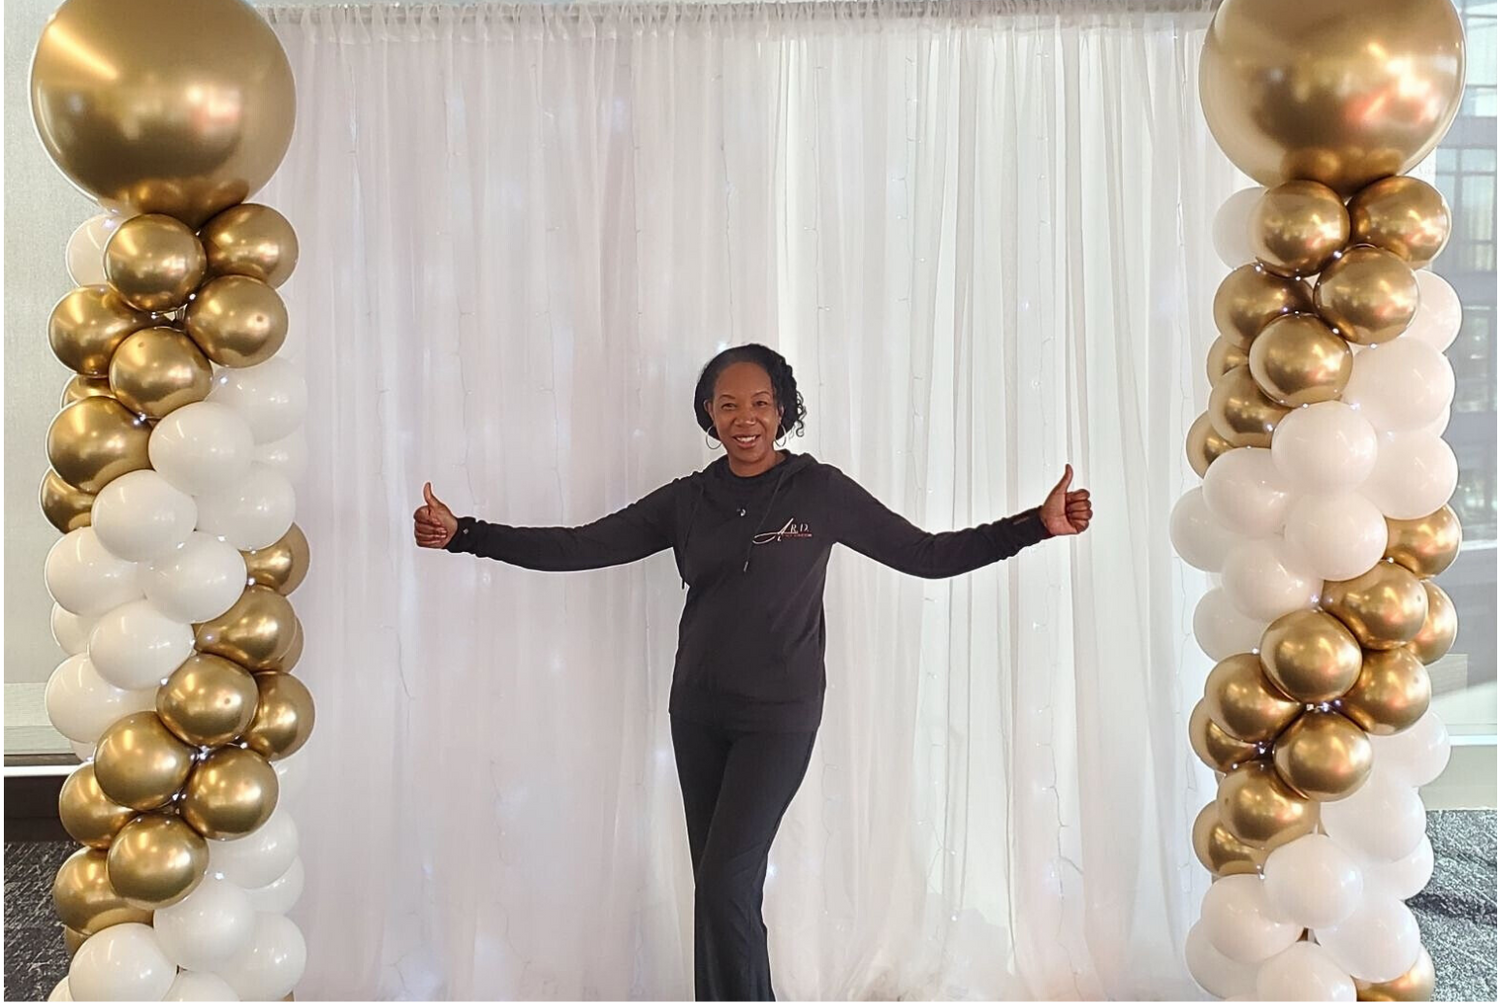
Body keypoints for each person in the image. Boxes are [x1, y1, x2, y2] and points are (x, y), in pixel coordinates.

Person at [414, 343, 1092, 1001]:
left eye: (761, 402)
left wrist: (1035, 523)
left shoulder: (819, 491)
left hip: (779, 716)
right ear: (708, 413)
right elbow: (582, 544)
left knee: (725, 884)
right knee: (720, 892)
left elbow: (928, 554)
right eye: (729, 403)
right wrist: (467, 533)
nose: (746, 416)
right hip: (699, 713)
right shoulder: (688, 500)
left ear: (782, 409)